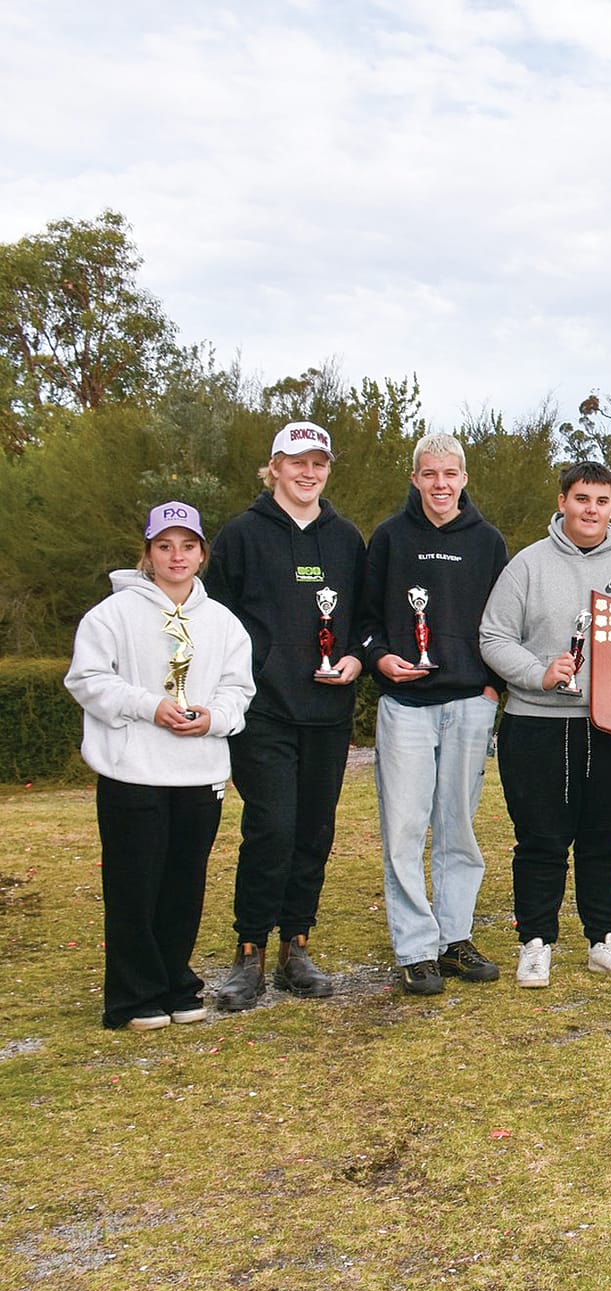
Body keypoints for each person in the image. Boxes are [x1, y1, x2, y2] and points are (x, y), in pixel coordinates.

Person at [66, 502, 255, 1030]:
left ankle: (176, 983)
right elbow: (87, 680)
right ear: (147, 554)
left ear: (202, 554)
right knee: (134, 886)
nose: (177, 556)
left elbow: (239, 689)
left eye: (188, 546)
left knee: (183, 884)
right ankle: (132, 996)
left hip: (198, 774)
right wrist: (148, 705)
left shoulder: (222, 621)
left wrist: (213, 717)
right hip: (133, 774)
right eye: (165, 546)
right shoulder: (112, 615)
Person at [479, 460, 611, 988]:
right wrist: (539, 673)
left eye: (602, 501)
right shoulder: (527, 566)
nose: (591, 510)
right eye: (582, 499)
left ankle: (605, 940)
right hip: (536, 723)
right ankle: (535, 943)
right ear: (562, 502)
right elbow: (493, 637)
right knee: (540, 838)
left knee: (606, 837)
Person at [206, 422, 367, 1011]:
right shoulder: (241, 536)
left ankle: (295, 945)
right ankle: (248, 950)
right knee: (271, 826)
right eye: (295, 460)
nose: (307, 472)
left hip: (327, 709)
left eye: (318, 461)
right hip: (263, 710)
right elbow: (214, 621)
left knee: (313, 830)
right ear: (273, 467)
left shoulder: (347, 538)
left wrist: (354, 655)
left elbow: (365, 617)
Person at [355, 433, 510, 996]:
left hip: (471, 703)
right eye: (429, 474)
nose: (440, 484)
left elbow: (504, 624)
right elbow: (363, 615)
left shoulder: (489, 542)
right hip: (406, 706)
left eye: (450, 473)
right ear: (415, 478)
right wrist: (379, 658)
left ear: (464, 478)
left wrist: (492, 687)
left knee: (458, 829)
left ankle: (454, 937)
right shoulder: (391, 538)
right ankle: (415, 948)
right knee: (403, 828)